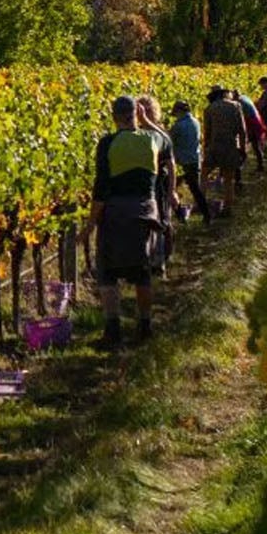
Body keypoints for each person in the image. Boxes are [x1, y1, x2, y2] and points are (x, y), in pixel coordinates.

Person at [87, 94, 162, 347]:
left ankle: (113, 330)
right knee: (142, 273)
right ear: (137, 114)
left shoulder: (107, 143)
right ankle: (145, 325)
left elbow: (101, 190)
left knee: (108, 274)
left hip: (116, 214)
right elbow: (167, 141)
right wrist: (146, 122)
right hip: (145, 213)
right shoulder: (153, 139)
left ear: (113, 117)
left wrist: (89, 226)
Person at [135, 94, 178, 272]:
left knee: (161, 221)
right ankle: (148, 259)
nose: (142, 114)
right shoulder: (135, 134)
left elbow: (171, 164)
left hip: (160, 184)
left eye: (147, 110)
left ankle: (159, 261)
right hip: (143, 185)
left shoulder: (160, 134)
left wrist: (172, 190)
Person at [203, 85, 246, 216]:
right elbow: (242, 130)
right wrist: (242, 149)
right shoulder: (236, 106)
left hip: (214, 146)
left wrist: (206, 148)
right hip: (230, 146)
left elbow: (207, 132)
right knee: (228, 179)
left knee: (204, 174)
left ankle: (201, 203)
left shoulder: (209, 109)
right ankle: (227, 209)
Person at [169, 99, 209, 222]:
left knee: (171, 189)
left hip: (182, 162)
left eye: (175, 113)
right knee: (195, 189)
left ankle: (181, 215)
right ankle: (206, 214)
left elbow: (169, 141)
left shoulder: (178, 126)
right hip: (195, 158)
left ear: (179, 111)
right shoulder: (195, 121)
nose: (175, 116)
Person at [237, 86, 267, 172]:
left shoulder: (240, 102)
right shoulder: (245, 97)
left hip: (253, 124)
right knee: (255, 144)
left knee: (254, 144)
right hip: (257, 121)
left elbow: (241, 117)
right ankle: (259, 163)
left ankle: (259, 165)